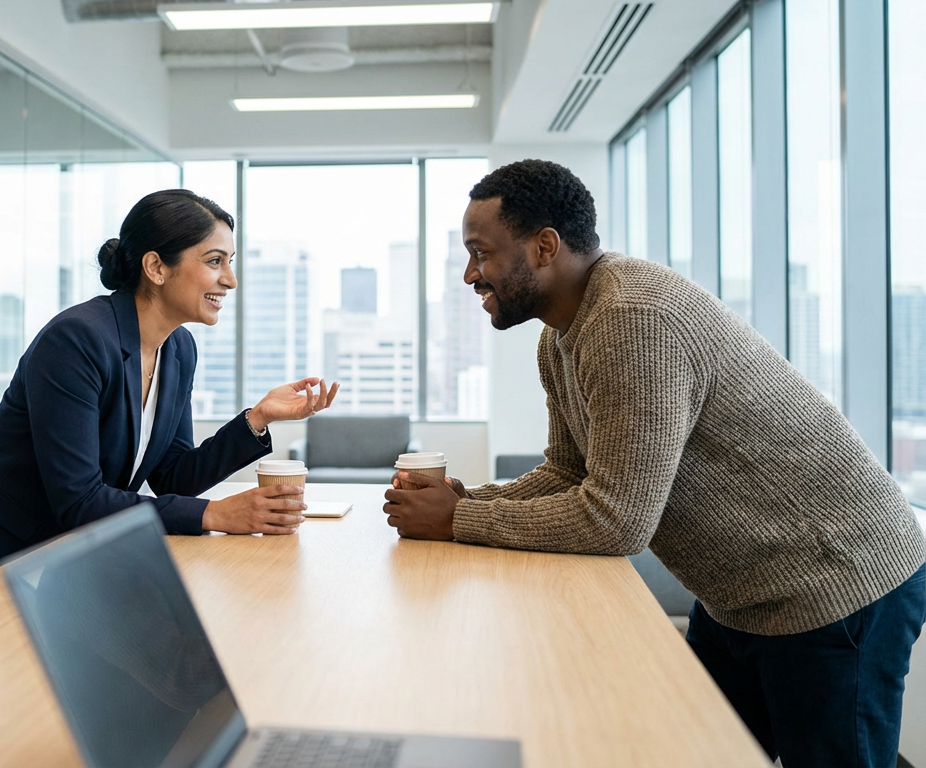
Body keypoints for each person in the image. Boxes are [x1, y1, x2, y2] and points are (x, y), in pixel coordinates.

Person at [382, 159, 926, 768]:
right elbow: (569, 472)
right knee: (695, 752)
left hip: (836, 582)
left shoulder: (633, 319)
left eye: (480, 253)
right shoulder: (560, 337)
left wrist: (457, 521)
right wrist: (468, 502)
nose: (468, 274)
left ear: (543, 247)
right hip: (741, 594)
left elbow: (616, 521)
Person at [0, 189, 338, 601]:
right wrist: (215, 514)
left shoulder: (178, 348)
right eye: (214, 261)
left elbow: (173, 476)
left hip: (51, 557)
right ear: (156, 267)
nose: (230, 279)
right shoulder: (77, 340)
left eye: (230, 261)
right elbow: (80, 499)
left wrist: (258, 418)